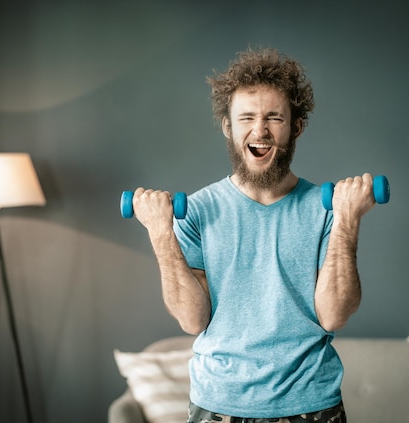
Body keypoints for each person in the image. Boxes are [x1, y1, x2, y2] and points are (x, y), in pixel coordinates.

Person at [131, 48, 376, 423]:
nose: (259, 131)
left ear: (296, 126)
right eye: (246, 118)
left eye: (273, 118)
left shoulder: (328, 210)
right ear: (228, 127)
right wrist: (161, 232)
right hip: (218, 404)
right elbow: (193, 321)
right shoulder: (197, 211)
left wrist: (348, 220)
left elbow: (334, 315)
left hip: (311, 403)